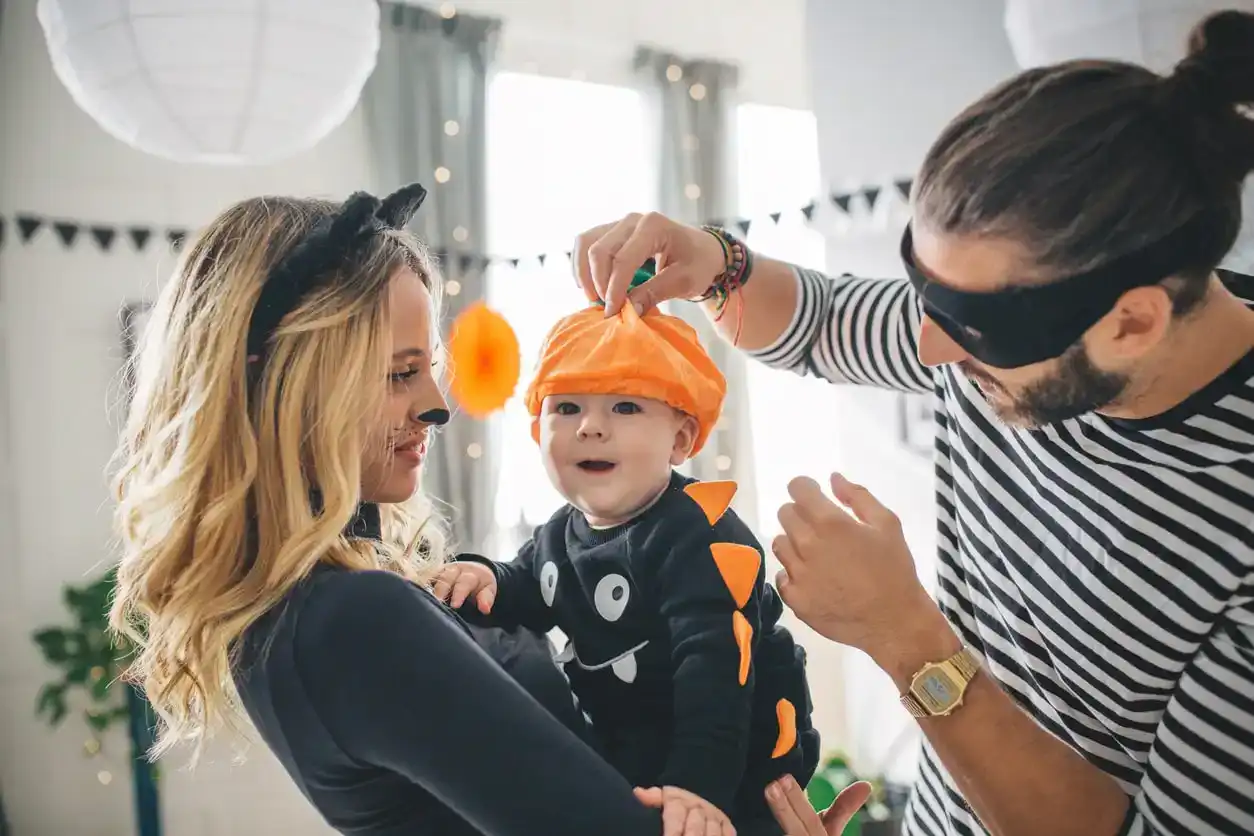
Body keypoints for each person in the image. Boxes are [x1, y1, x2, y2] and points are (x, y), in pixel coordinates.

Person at [574, 9, 1254, 836]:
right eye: (921, 286)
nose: (925, 346)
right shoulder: (1026, 329)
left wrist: (902, 633)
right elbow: (822, 322)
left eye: (966, 325)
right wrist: (718, 263)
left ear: (1134, 322)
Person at [108, 183, 793, 836]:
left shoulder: (307, 611)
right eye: (401, 373)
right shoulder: (351, 620)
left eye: (430, 367)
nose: (438, 404)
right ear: (288, 383)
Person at [434, 296, 820, 835]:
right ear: (536, 433)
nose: (591, 427)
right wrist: (483, 575)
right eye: (566, 408)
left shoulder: (695, 537)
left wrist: (697, 788)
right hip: (629, 763)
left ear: (681, 440)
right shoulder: (558, 533)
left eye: (625, 406)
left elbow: (715, 675)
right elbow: (525, 586)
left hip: (737, 775)